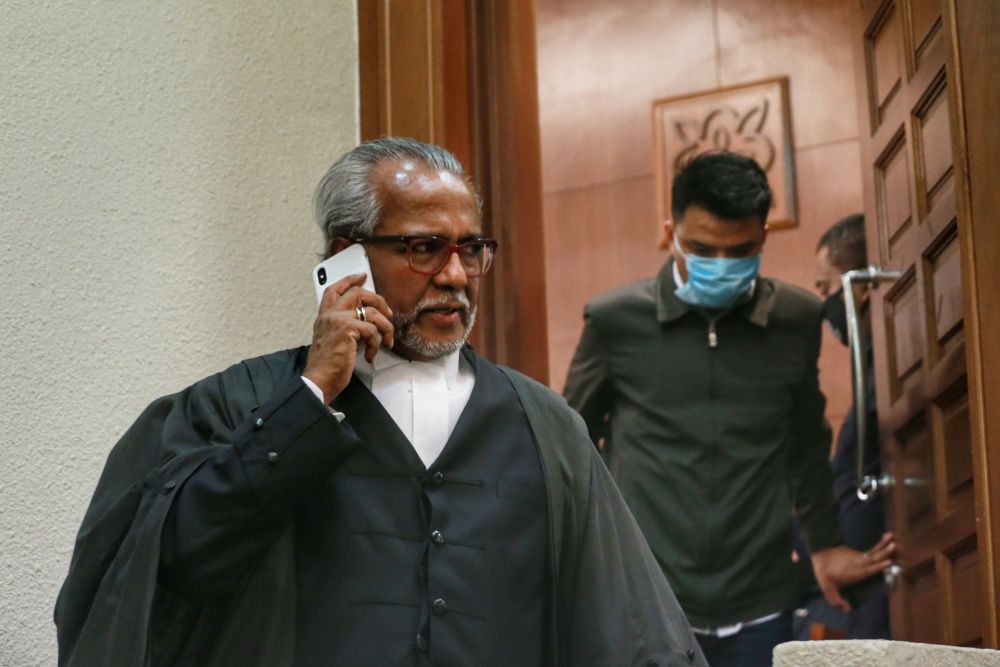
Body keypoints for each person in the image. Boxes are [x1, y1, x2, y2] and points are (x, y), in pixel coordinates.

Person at [55, 138, 706, 667]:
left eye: (470, 249)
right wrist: (310, 397)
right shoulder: (238, 405)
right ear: (349, 258)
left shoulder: (548, 428)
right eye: (424, 248)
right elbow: (172, 571)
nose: (454, 275)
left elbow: (632, 630)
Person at [563, 152, 894, 667]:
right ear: (670, 230)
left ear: (763, 237)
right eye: (700, 248)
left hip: (761, 603)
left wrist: (825, 544)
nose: (719, 265)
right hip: (645, 597)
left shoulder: (797, 319)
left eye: (738, 251)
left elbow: (806, 447)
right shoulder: (614, 321)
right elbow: (572, 449)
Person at [791, 213, 891, 640]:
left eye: (826, 289)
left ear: (863, 287)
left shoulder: (892, 375)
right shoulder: (872, 374)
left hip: (873, 595)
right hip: (839, 588)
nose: (823, 305)